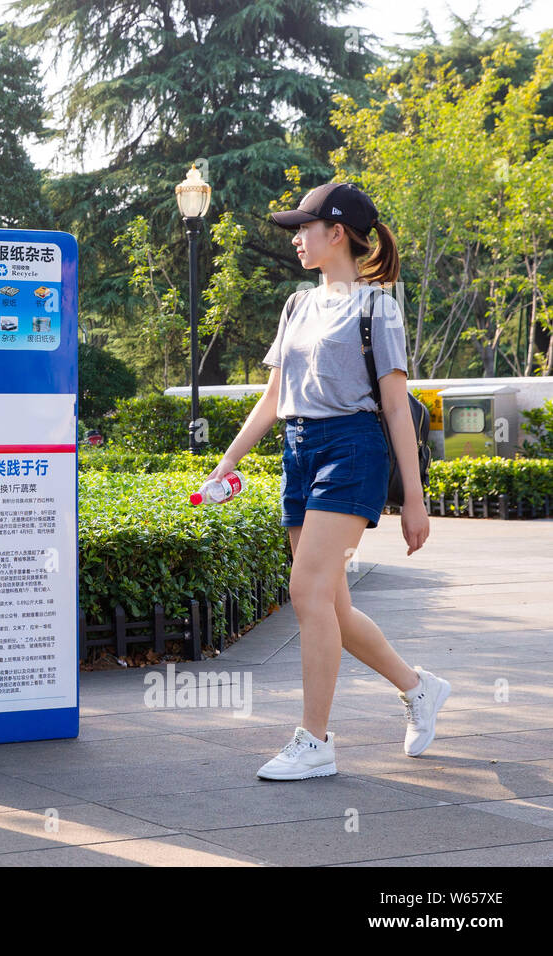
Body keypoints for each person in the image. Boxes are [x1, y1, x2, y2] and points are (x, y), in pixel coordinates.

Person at [202, 181, 449, 781]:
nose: (297, 239)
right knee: (330, 606)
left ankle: (315, 742)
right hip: (299, 451)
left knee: (307, 593)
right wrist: (227, 461)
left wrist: (414, 502)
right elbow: (272, 398)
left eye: (305, 228)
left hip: (353, 451)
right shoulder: (297, 305)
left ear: (336, 233)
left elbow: (395, 408)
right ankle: (419, 688)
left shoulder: (377, 307)